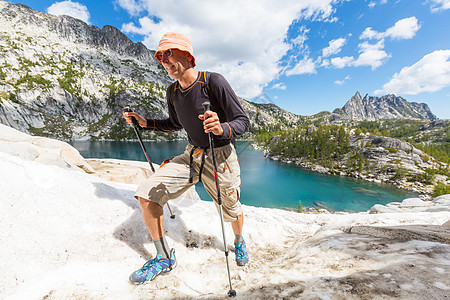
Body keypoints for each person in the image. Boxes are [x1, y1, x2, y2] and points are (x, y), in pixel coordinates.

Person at [123, 32, 250, 285]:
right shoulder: (172, 91)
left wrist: (222, 127)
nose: (163, 60)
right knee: (146, 193)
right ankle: (163, 258)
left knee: (230, 210)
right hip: (192, 155)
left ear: (188, 56)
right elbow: (175, 123)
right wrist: (145, 123)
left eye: (167, 53)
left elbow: (243, 122)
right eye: (159, 56)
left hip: (221, 157)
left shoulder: (213, 82)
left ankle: (238, 241)